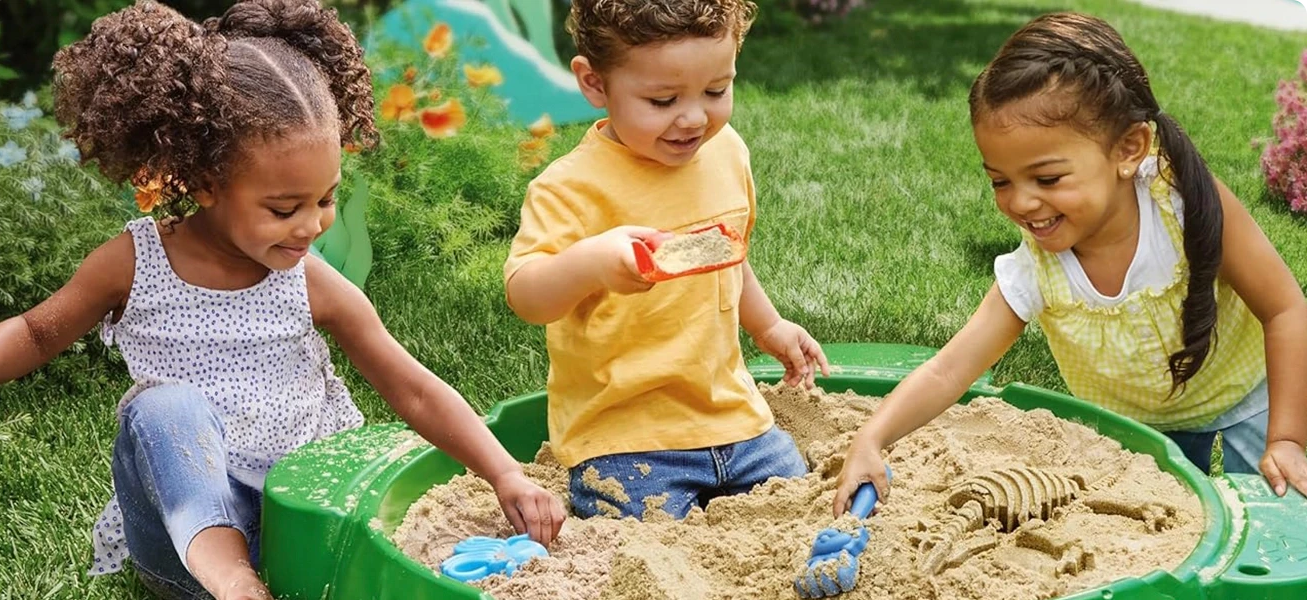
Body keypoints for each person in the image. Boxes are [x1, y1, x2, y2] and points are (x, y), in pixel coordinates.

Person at [0, 0, 564, 600]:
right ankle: (240, 590)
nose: (312, 225)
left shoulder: (308, 281)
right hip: (187, 546)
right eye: (284, 208)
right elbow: (35, 333)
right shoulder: (134, 263)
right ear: (204, 183)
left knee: (364, 469)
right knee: (162, 409)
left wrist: (504, 472)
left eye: (326, 199)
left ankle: (272, 585)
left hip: (303, 525)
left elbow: (413, 389)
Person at [835, 12, 1307, 514]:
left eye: (1048, 178)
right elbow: (950, 370)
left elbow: (1285, 311)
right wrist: (872, 437)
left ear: (1129, 149)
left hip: (1246, 401)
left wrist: (1286, 439)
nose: (1020, 203)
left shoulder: (1183, 205)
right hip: (1136, 432)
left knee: (1278, 518)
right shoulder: (1039, 268)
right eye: (1000, 181)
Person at [504, 0, 830, 521]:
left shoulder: (726, 155)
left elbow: (726, 257)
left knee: (800, 507)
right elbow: (526, 294)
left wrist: (769, 327)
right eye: (662, 99)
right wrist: (591, 262)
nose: (695, 117)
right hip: (624, 438)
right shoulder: (570, 189)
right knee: (643, 536)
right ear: (594, 84)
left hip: (735, 422)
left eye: (717, 91)